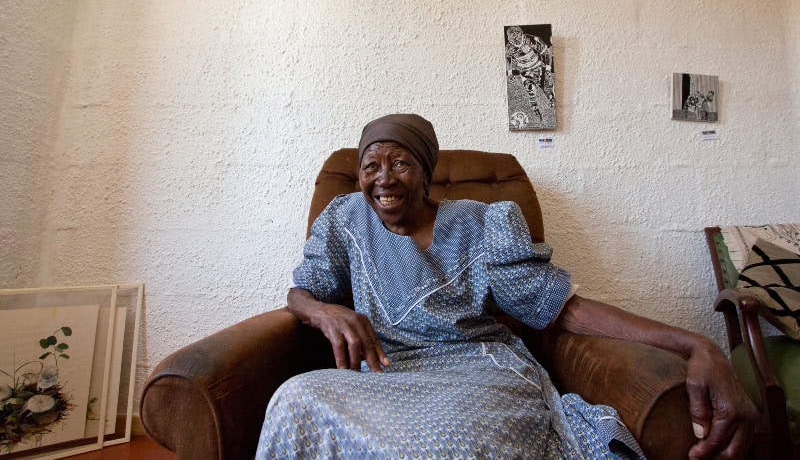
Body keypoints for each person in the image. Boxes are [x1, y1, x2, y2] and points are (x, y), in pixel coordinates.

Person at [256, 113, 757, 459]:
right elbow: (302, 292)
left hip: (477, 371)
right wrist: (326, 311)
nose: (383, 178)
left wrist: (694, 342)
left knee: (452, 440)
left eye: (400, 162)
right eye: (371, 165)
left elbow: (563, 308)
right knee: (294, 399)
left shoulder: (484, 223)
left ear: (426, 173)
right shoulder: (345, 218)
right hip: (386, 374)